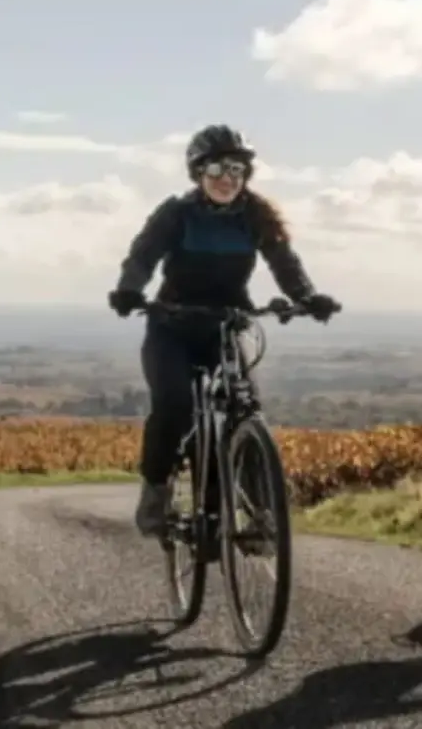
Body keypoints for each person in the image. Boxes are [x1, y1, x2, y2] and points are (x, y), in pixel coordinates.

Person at [106, 124, 340, 537]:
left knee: (244, 407)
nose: (227, 178)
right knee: (174, 405)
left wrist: (306, 296)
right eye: (216, 168)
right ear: (198, 172)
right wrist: (129, 290)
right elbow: (143, 256)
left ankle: (259, 512)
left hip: (227, 326)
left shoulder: (256, 215)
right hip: (173, 326)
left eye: (236, 168)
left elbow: (284, 261)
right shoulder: (176, 213)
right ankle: (155, 496)